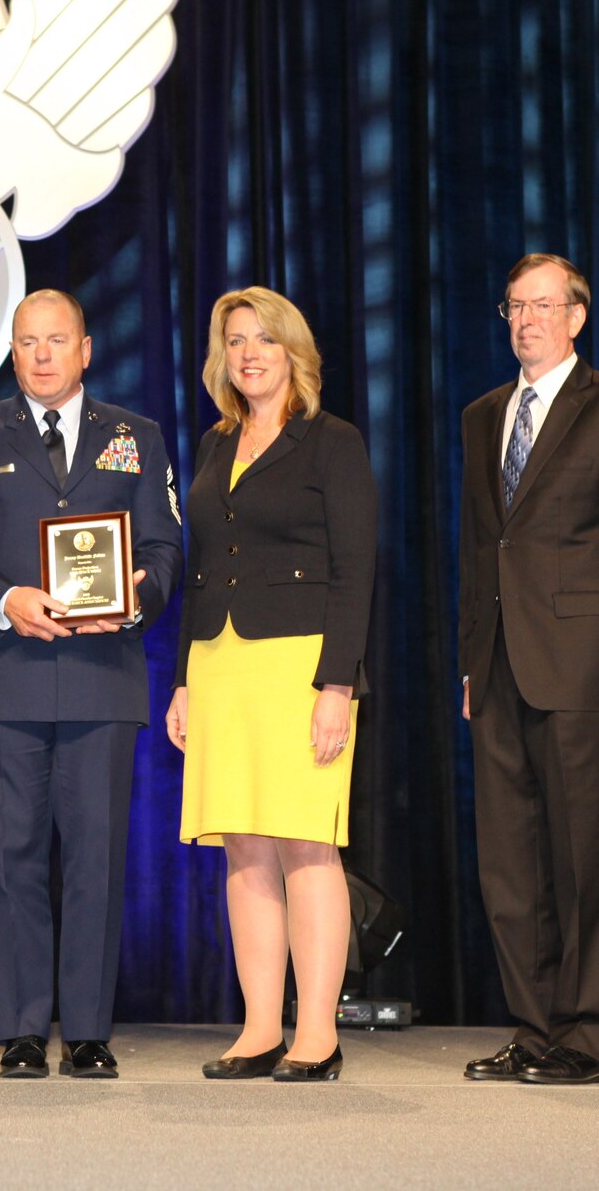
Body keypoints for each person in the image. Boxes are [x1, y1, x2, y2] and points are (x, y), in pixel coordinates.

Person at [0, 290, 182, 1078]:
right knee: (12, 858)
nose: (41, 353)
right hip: (4, 677)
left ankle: (92, 1029)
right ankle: (26, 1028)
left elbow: (167, 545)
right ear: (11, 350)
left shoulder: (138, 437)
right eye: (27, 340)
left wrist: (138, 595)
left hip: (103, 679)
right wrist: (5, 599)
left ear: (86, 349)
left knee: (97, 859)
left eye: (56, 339)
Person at [458, 253, 599, 1086]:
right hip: (502, 670)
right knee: (509, 865)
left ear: (577, 316)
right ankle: (535, 1028)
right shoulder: (484, 415)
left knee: (582, 860)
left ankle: (587, 1036)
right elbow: (482, 551)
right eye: (515, 306)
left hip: (589, 672)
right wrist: (471, 661)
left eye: (544, 305)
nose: (527, 320)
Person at [164, 286, 376, 1083]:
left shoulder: (332, 441)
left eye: (265, 339)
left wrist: (337, 685)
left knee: (305, 845)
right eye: (236, 340)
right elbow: (197, 572)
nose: (249, 352)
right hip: (222, 666)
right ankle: (259, 1027)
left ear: (294, 351)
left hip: (299, 665)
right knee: (244, 849)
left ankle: (316, 1032)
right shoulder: (217, 443)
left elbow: (355, 572)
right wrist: (185, 678)